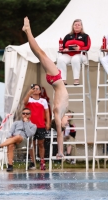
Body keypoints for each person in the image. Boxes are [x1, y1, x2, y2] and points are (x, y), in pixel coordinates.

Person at [22, 17, 69, 159]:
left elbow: (59, 135)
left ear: (60, 123)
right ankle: (27, 31)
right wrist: (60, 152)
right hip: (55, 80)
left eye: (65, 123)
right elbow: (62, 130)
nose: (68, 122)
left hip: (56, 78)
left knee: (39, 52)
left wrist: (60, 152)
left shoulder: (57, 112)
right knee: (39, 53)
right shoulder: (63, 112)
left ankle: (28, 30)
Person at [24, 84, 50, 170]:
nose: (35, 90)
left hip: (40, 125)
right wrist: (29, 93)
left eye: (37, 89)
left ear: (39, 91)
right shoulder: (29, 99)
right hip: (30, 125)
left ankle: (42, 162)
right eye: (33, 88)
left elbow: (47, 112)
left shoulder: (43, 101)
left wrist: (48, 122)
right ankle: (33, 162)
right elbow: (24, 102)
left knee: (41, 143)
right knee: (31, 144)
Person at [57, 19, 91, 85]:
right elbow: (62, 47)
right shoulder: (67, 36)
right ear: (73, 26)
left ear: (81, 26)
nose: (77, 26)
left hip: (80, 55)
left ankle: (76, 79)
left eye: (78, 25)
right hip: (69, 55)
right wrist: (65, 49)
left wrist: (80, 48)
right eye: (75, 25)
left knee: (75, 59)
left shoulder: (85, 36)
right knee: (60, 59)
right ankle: (63, 80)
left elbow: (87, 47)